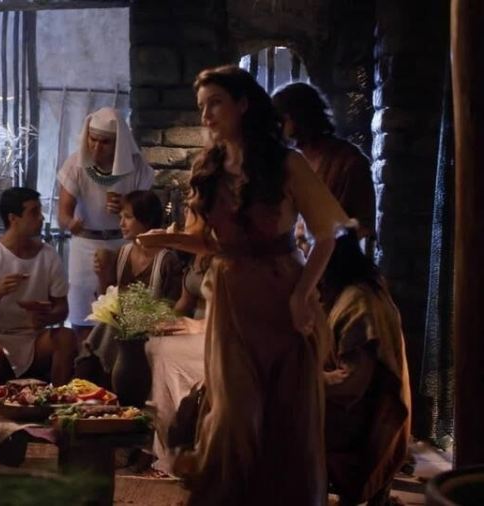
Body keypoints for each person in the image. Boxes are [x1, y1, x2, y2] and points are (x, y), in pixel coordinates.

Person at [142, 65, 348, 505]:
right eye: (202, 107)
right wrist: (165, 239)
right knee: (234, 414)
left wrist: (302, 294)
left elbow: (327, 235)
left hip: (282, 294)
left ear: (243, 104)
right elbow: (208, 242)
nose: (206, 115)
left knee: (287, 416)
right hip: (232, 299)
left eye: (215, 103)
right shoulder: (209, 168)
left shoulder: (287, 163)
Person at [320, 228, 411, 506]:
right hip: (356, 412)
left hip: (361, 424)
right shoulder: (352, 292)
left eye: (305, 245)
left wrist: (301, 379)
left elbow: (351, 384)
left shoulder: (359, 302)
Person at [57, 107, 155, 345]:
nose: (96, 147)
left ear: (119, 143)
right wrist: (71, 223)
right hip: (85, 245)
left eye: (105, 142)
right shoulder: (76, 164)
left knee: (121, 317)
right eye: (93, 139)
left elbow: (147, 209)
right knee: (83, 315)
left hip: (124, 245)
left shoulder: (136, 166)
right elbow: (63, 213)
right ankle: (85, 364)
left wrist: (126, 205)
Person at [0, 187, 76, 386]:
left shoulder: (49, 256)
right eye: (34, 212)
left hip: (34, 339)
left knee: (66, 337)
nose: (41, 218)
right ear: (13, 218)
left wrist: (45, 317)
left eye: (40, 211)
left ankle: (59, 398)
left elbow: (62, 309)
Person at [74, 190, 182, 387]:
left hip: (153, 328)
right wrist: (102, 274)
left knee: (110, 329)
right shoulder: (122, 254)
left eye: (128, 217)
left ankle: (89, 380)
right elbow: (107, 298)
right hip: (120, 326)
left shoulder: (167, 260)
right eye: (121, 217)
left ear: (146, 220)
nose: (121, 223)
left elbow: (172, 308)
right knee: (110, 325)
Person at [272, 82, 376, 251]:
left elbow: (363, 225)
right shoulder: (289, 161)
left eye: (282, 120)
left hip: (335, 259)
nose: (278, 129)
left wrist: (324, 243)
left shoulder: (348, 161)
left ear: (298, 117)